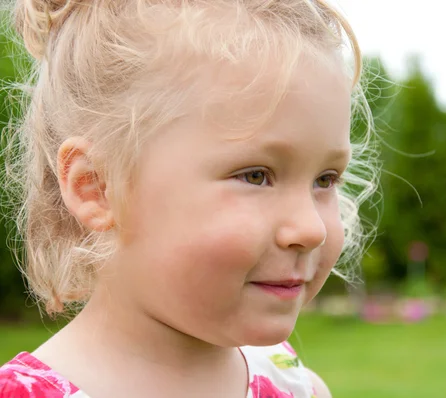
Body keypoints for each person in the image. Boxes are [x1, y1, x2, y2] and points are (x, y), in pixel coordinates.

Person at [0, 0, 378, 396]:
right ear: (96, 187)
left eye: (325, 179)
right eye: (256, 176)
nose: (311, 229)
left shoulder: (295, 385)